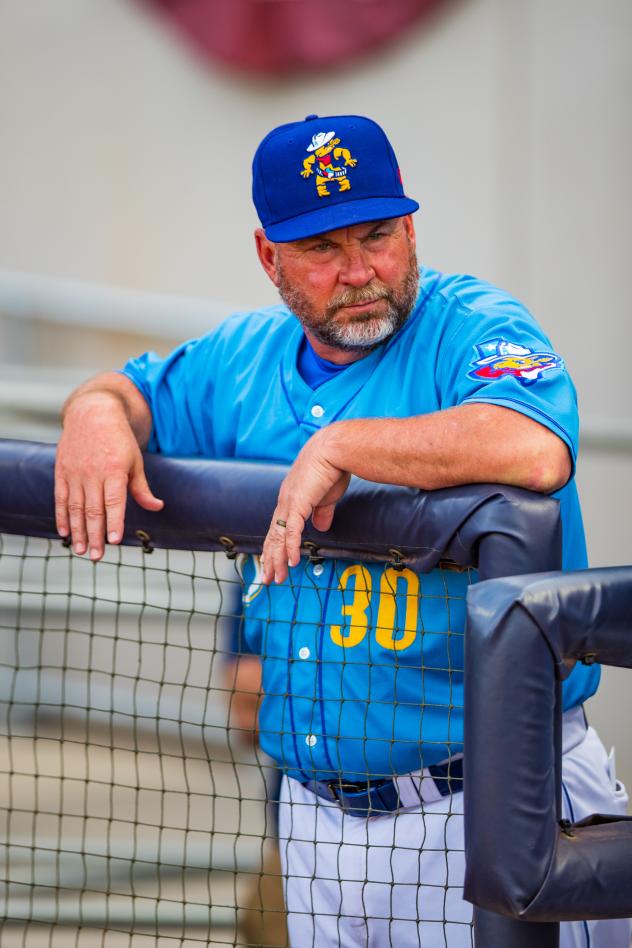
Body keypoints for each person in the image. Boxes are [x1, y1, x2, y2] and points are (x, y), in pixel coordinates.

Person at [55, 114, 629, 948]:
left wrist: (348, 447)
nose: (362, 271)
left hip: (488, 805)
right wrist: (94, 414)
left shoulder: (470, 323)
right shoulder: (242, 359)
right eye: (323, 249)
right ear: (268, 256)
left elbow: (534, 444)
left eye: (379, 234)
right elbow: (127, 392)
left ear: (410, 227)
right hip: (316, 824)